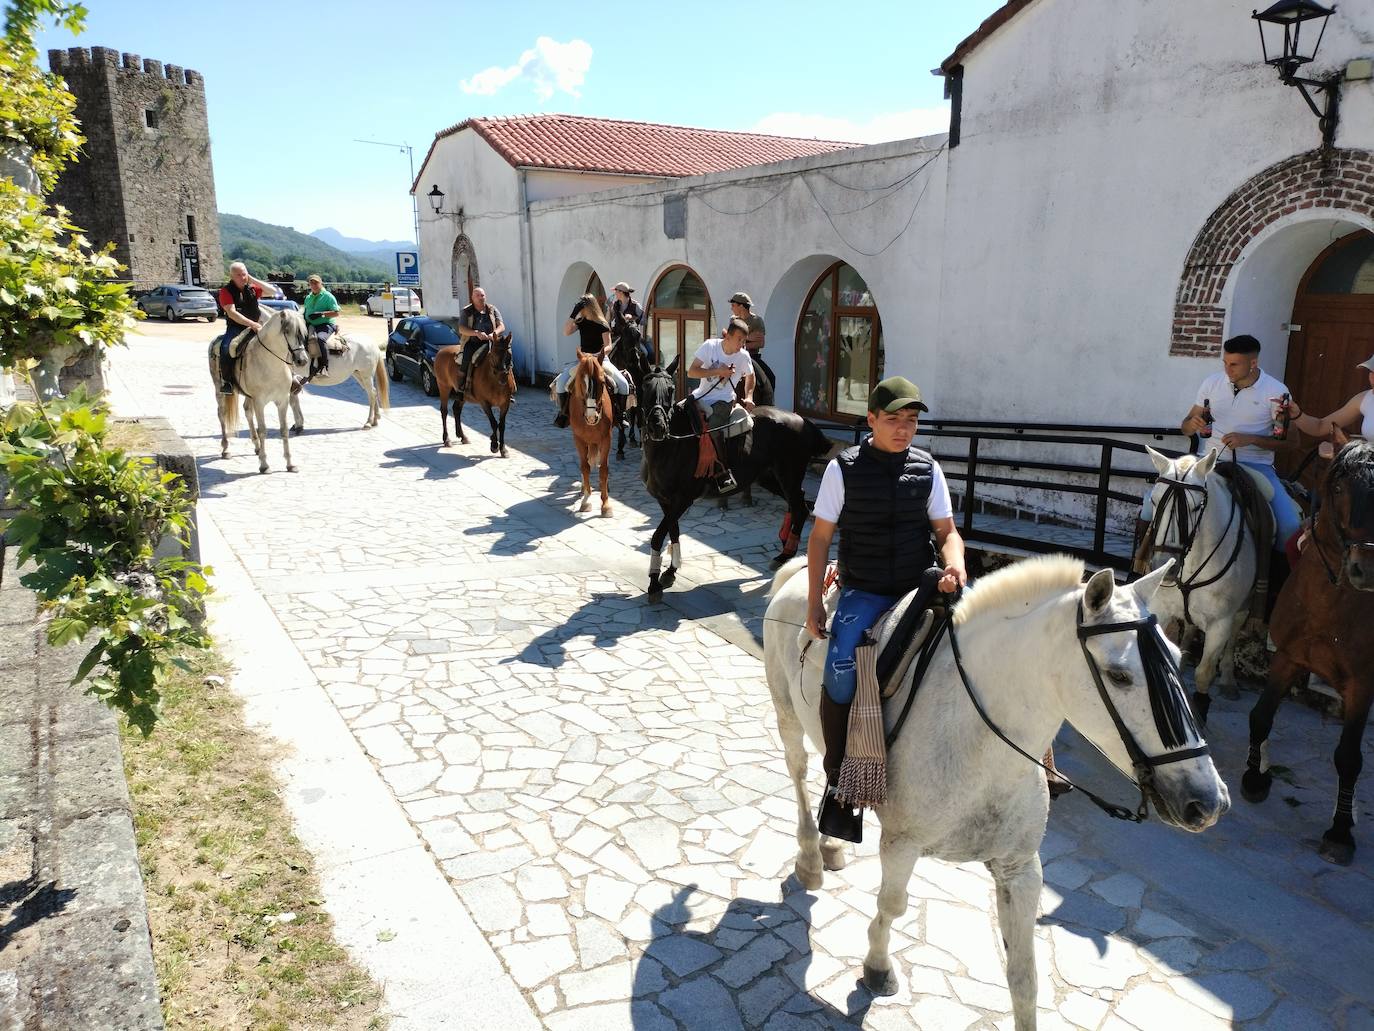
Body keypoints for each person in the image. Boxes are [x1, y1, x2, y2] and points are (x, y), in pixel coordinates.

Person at [805, 376, 967, 842]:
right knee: (840, 667)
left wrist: (955, 565)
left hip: (920, 585)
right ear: (871, 419)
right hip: (867, 590)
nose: (903, 429)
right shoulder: (844, 470)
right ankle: (838, 777)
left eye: (911, 421)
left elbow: (947, 532)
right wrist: (815, 601)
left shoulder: (928, 468)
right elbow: (820, 539)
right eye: (893, 420)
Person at [1167, 334, 1301, 553]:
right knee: (1151, 505)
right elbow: (1185, 426)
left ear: (1253, 363)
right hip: (1208, 461)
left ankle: (1274, 584)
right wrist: (1193, 425)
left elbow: (1292, 442)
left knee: (1289, 527)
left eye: (1234, 365)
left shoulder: (1276, 392)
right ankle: (1142, 565)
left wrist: (1251, 440)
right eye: (1225, 363)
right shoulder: (1211, 383)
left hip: (1256, 466)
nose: (1228, 370)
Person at [553, 294, 631, 427]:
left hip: (601, 360)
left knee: (623, 384)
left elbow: (608, 345)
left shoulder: (602, 324)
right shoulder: (580, 323)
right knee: (560, 383)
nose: (581, 309)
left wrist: (597, 356)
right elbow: (566, 332)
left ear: (590, 306)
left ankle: (620, 415)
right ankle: (563, 414)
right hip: (583, 360)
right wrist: (573, 314)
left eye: (582, 306)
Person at [1283, 353, 1374, 448]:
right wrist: (1296, 415)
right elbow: (1320, 426)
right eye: (1371, 372)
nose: (1372, 378)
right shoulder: (1364, 398)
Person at [217, 262, 276, 394]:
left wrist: (252, 279)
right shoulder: (225, 291)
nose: (242, 277)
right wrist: (252, 324)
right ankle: (227, 382)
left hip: (257, 326)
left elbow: (273, 291)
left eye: (244, 274)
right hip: (237, 328)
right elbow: (232, 313)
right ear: (231, 276)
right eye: (238, 275)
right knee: (226, 347)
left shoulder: (253, 288)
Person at [455, 287, 505, 396]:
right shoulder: (466, 311)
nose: (480, 298)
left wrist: (494, 334)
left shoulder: (492, 309)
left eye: (482, 295)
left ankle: (510, 386)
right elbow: (461, 329)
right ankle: (461, 385)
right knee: (466, 357)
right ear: (472, 298)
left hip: (491, 341)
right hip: (473, 341)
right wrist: (476, 333)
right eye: (477, 295)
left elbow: (501, 326)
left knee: (506, 355)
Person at [730, 291, 773, 393]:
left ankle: (769, 403)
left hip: (752, 357)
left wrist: (742, 341)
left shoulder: (757, 321)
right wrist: (749, 337)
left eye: (733, 305)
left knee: (771, 377)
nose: (731, 308)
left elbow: (760, 343)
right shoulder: (733, 320)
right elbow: (732, 340)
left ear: (741, 306)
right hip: (735, 356)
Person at [302, 273, 340, 379]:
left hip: (325, 324)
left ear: (321, 283)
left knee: (320, 339)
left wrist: (321, 314)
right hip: (310, 324)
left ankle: (324, 366)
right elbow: (305, 310)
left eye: (316, 283)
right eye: (311, 283)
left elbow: (336, 312)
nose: (314, 285)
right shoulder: (308, 297)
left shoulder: (328, 296)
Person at [608, 281, 646, 360]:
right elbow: (608, 319)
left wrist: (632, 318)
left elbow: (643, 321)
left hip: (631, 337)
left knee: (646, 353)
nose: (615, 293)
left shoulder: (636, 305)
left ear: (621, 292)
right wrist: (609, 310)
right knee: (607, 355)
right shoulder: (615, 305)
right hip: (617, 336)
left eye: (616, 291)